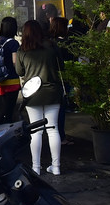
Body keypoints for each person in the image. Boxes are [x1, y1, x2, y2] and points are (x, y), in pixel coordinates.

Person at [14, 19, 64, 175]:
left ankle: (36, 167)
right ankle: (56, 167)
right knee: (53, 129)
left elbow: (19, 72)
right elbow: (61, 66)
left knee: (36, 131)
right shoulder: (52, 46)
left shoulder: (22, 50)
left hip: (32, 94)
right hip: (52, 91)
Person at [48, 16, 75, 146]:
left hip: (51, 79)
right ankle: (61, 136)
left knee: (54, 110)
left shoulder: (49, 43)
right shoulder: (66, 43)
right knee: (61, 109)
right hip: (63, 79)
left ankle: (58, 134)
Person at [0, 16, 21, 124]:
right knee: (9, 108)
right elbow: (14, 62)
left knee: (4, 105)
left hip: (0, 79)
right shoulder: (13, 43)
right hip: (12, 79)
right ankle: (2, 127)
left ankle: (0, 125)